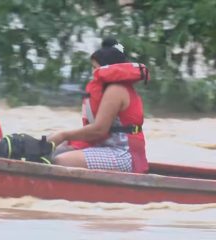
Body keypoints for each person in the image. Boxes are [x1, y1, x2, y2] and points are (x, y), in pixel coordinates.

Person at [48, 38, 149, 173]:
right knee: (52, 152)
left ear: (108, 67)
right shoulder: (109, 89)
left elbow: (99, 130)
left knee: (60, 161)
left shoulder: (116, 90)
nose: (93, 73)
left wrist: (63, 135)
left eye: (95, 68)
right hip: (104, 147)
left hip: (122, 155)